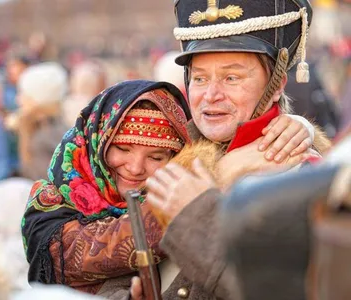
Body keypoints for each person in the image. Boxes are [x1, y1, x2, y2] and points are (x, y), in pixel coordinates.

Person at [23, 77, 316, 299]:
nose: (136, 167)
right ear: (96, 140)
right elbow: (105, 246)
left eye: (156, 157)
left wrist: (290, 125)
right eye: (122, 148)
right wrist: (220, 174)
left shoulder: (157, 186)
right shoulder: (51, 207)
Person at [132, 0, 333, 298]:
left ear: (277, 85)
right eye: (200, 78)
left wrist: (197, 215)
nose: (211, 95)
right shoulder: (160, 149)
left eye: (231, 78)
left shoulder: (305, 177)